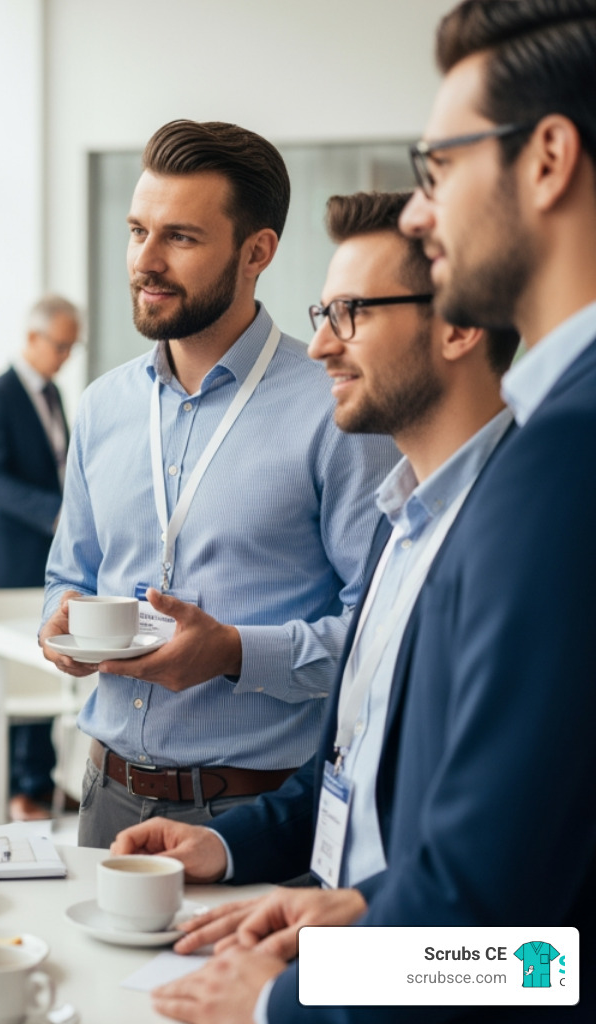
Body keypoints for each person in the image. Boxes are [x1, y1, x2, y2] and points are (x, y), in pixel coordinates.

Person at [151, 3, 596, 1022]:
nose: (426, 215)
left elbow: (511, 928)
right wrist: (337, 907)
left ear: (548, 158)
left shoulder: (556, 459)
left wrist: (286, 999)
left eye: (438, 168)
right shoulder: (410, 517)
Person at [112, 188, 518, 959]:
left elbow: (528, 944)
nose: (324, 347)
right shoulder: (401, 524)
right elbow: (354, 765)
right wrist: (228, 846)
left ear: (460, 323)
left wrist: (299, 999)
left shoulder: (522, 538)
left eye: (353, 314)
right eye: (322, 315)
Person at [38, 119, 398, 849]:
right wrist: (62, 622)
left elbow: (381, 641)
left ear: (256, 252)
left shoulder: (337, 408)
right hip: (104, 800)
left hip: (255, 817)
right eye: (138, 231)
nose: (146, 260)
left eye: (181, 238)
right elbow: (66, 576)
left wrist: (234, 652)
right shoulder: (103, 406)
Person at [0, 294, 81, 821]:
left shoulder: (54, 394)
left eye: (71, 347)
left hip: (45, 557)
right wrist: (54, 513)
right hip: (6, 559)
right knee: (14, 682)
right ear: (32, 338)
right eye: (59, 345)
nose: (64, 356)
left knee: (46, 666)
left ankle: (41, 781)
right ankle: (20, 791)